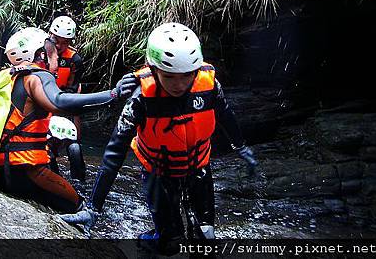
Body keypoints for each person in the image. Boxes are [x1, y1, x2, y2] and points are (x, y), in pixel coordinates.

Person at [62, 23, 258, 252]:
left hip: (198, 168)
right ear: (153, 70)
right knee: (170, 244)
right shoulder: (140, 99)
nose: (179, 84)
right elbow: (114, 153)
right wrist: (94, 207)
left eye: (187, 76)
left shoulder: (209, 85)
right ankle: (146, 244)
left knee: (206, 237)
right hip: (159, 173)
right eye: (169, 77)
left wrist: (241, 147)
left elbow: (225, 114)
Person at [0, 27, 138, 214]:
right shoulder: (37, 76)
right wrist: (113, 94)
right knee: (80, 207)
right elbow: (60, 102)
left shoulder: (6, 77)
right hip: (23, 171)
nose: (57, 58)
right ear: (41, 55)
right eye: (54, 53)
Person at [47, 16, 87, 182]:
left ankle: (79, 179)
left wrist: (62, 101)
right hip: (43, 98)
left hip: (64, 99)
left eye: (65, 42)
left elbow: (73, 85)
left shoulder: (74, 60)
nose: (60, 46)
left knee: (74, 142)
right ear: (50, 35)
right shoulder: (41, 53)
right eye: (57, 41)